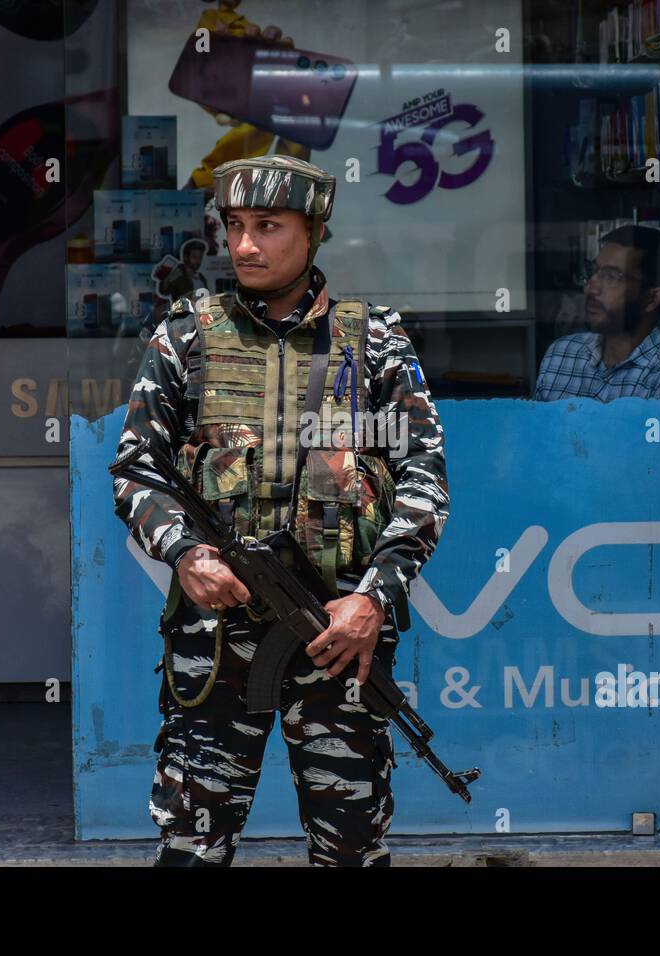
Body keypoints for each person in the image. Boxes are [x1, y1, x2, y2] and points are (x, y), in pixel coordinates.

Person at [112, 155, 450, 866]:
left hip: (339, 638)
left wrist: (373, 599)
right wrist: (185, 551)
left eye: (267, 225)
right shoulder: (186, 337)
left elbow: (423, 483)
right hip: (215, 640)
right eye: (234, 226)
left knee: (351, 849)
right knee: (191, 844)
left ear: (315, 231)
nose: (243, 245)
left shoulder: (376, 342)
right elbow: (137, 469)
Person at [535, 225, 660, 403]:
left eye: (611, 277)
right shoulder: (561, 354)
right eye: (593, 271)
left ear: (652, 298)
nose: (590, 289)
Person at [184, 0, 312, 189]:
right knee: (259, 126)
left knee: (292, 121)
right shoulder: (211, 19)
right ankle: (203, 183)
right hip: (233, 86)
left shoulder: (246, 25)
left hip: (252, 84)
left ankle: (290, 186)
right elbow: (201, 59)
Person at [156, 238, 209, 302]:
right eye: (194, 257)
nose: (198, 261)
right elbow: (163, 290)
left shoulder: (201, 277)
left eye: (200, 257)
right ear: (186, 257)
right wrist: (165, 279)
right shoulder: (178, 274)